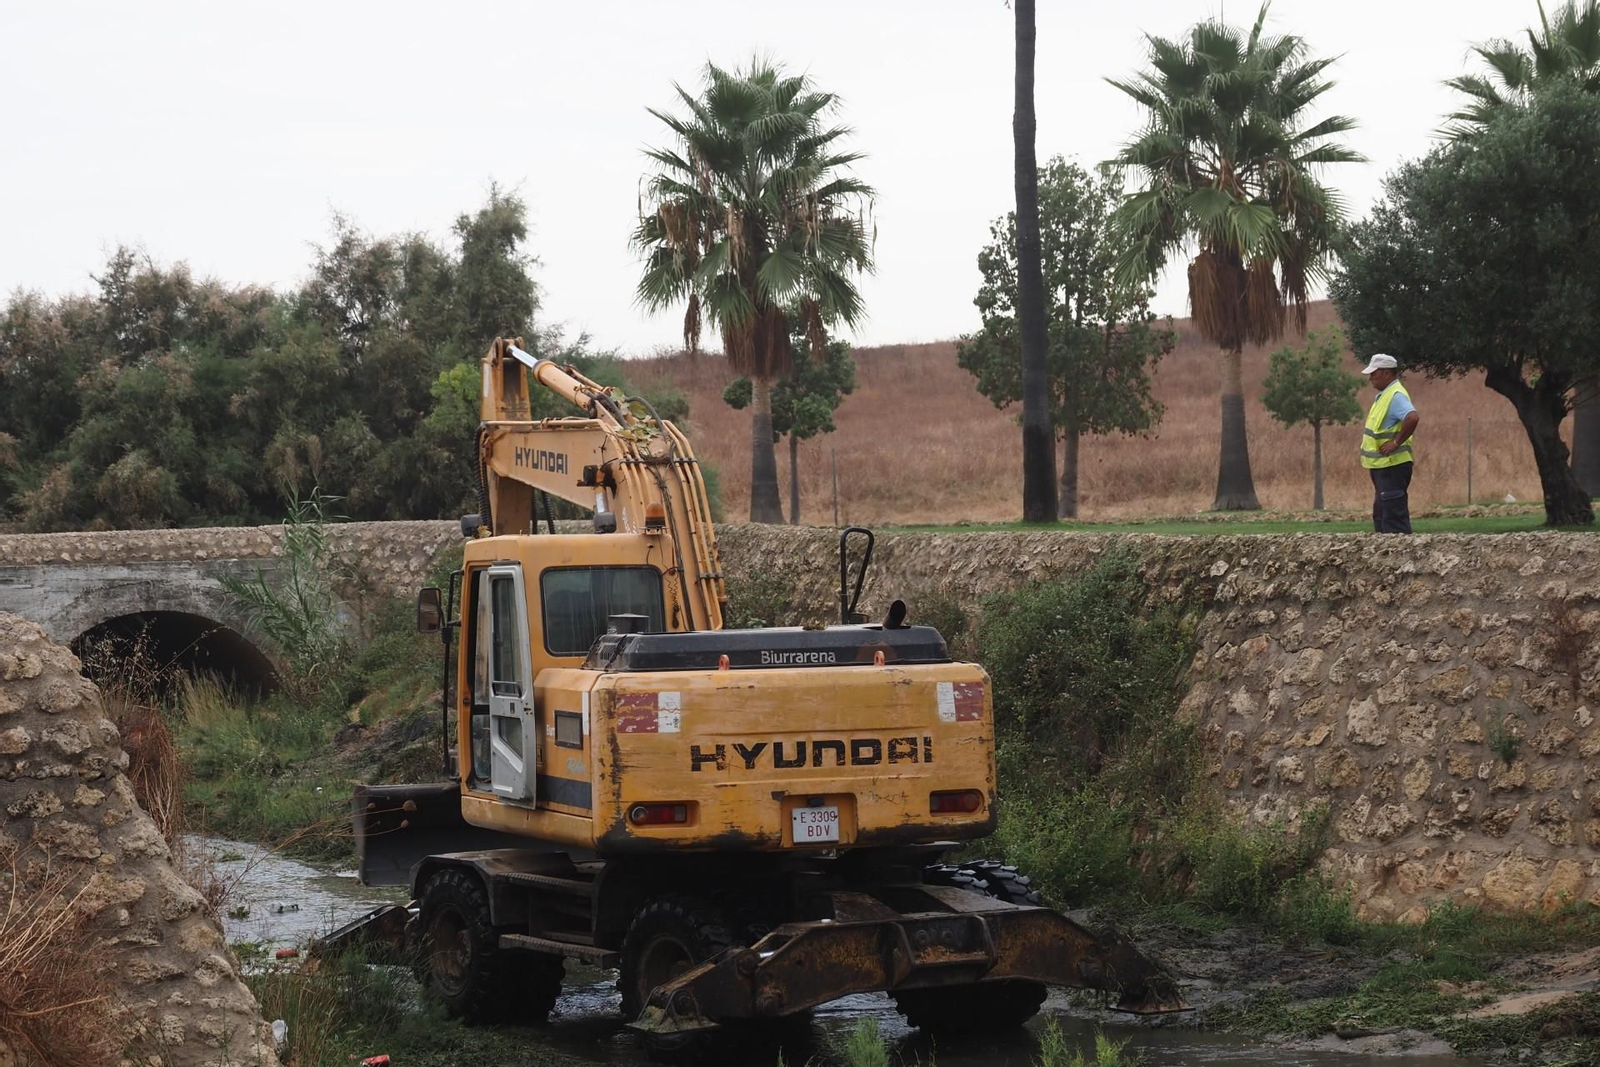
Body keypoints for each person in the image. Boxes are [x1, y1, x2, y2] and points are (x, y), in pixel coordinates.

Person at [1359, 354, 1419, 533]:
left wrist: (1396, 443)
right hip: (1383, 467)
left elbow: (1412, 417)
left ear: (1386, 373)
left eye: (1374, 373)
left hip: (1392, 466)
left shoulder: (1395, 396)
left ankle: (1400, 550)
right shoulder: (1384, 395)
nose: (1370, 378)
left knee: (1393, 519)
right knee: (1382, 516)